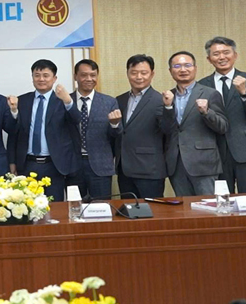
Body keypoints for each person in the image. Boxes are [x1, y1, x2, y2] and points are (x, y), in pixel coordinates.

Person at [10, 59, 81, 202]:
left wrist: (68, 102)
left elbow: (76, 120)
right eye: (37, 75)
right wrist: (12, 162)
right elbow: (14, 134)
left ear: (54, 78)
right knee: (27, 206)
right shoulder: (22, 101)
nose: (41, 79)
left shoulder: (63, 100)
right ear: (32, 78)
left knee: (54, 207)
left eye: (46, 75)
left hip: (54, 165)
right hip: (27, 164)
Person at [163, 51, 228, 196]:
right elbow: (166, 130)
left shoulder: (210, 93)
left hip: (204, 163)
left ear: (195, 68)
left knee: (208, 207)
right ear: (170, 71)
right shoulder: (168, 96)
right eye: (177, 66)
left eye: (187, 65)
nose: (183, 69)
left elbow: (223, 126)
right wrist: (167, 107)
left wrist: (206, 112)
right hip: (176, 164)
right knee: (184, 208)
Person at [114, 55, 170, 199]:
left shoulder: (160, 100)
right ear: (127, 73)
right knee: (128, 209)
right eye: (134, 72)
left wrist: (169, 107)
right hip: (124, 169)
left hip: (149, 169)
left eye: (144, 73)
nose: (139, 77)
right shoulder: (120, 100)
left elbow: (168, 130)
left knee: (152, 209)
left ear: (152, 74)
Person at [67, 60, 121, 200]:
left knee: (102, 207)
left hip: (100, 165)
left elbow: (117, 135)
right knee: (75, 208)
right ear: (75, 76)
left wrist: (114, 124)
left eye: (93, 75)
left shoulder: (109, 102)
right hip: (72, 166)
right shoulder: (65, 101)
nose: (89, 79)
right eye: (84, 75)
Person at [198, 36, 246, 193]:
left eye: (226, 52)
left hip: (243, 149)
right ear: (209, 59)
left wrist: (244, 94)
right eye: (216, 54)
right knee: (222, 201)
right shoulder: (201, 85)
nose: (221, 57)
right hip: (216, 153)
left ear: (235, 55)